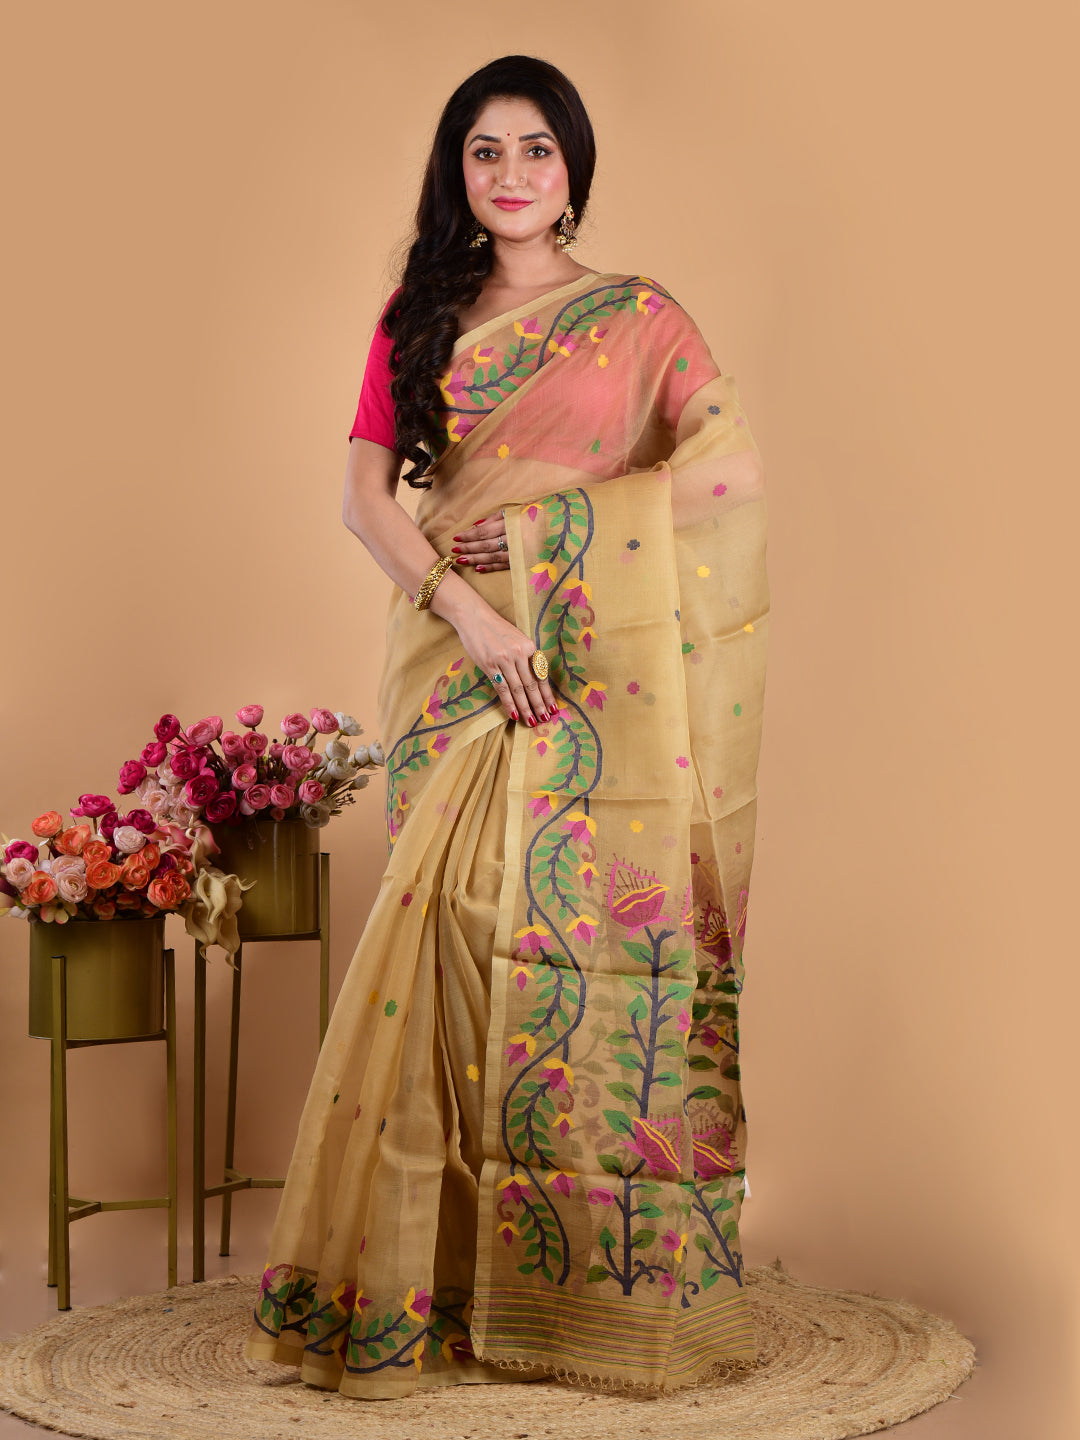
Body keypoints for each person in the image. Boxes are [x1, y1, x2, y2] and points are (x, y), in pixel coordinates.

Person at [245, 54, 769, 1399]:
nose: (513, 173)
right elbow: (366, 500)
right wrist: (471, 615)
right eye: (486, 151)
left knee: (582, 953)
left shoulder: (638, 318)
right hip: (457, 662)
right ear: (457, 172)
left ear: (574, 167)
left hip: (600, 667)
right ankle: (432, 1285)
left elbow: (723, 482)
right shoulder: (418, 316)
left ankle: (569, 1291)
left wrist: (549, 534)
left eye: (537, 149)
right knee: (456, 946)